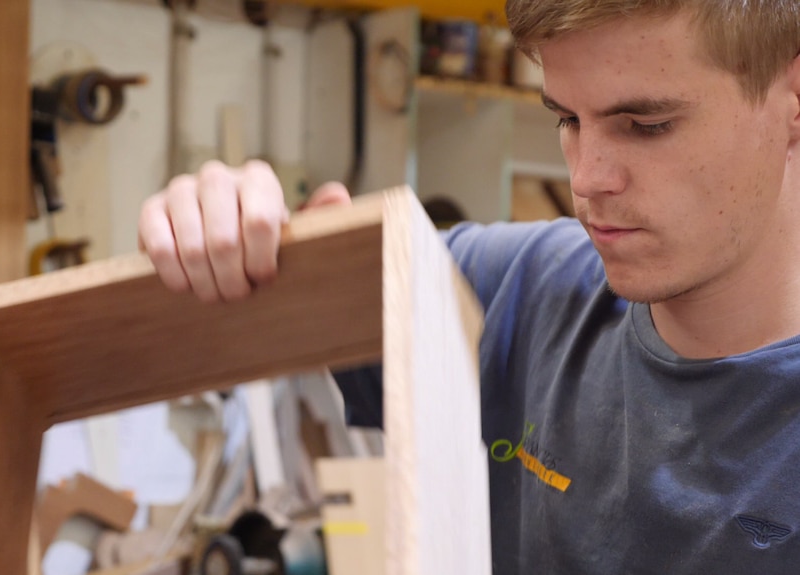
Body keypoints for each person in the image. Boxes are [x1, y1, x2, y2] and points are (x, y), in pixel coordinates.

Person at [138, 1, 800, 572]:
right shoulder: (515, 291)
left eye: (647, 124)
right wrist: (220, 227)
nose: (588, 177)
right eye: (567, 119)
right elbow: (250, 306)